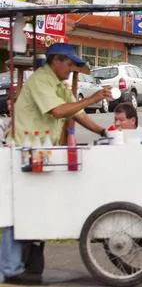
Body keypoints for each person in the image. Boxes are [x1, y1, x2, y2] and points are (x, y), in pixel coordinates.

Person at [2, 43, 112, 283]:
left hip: (41, 153)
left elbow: (78, 114)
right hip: (23, 152)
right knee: (18, 211)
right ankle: (10, 268)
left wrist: (104, 132)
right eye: (69, 64)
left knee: (35, 209)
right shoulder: (41, 81)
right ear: (56, 61)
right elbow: (59, 112)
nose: (72, 69)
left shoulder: (59, 86)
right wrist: (91, 98)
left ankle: (27, 266)